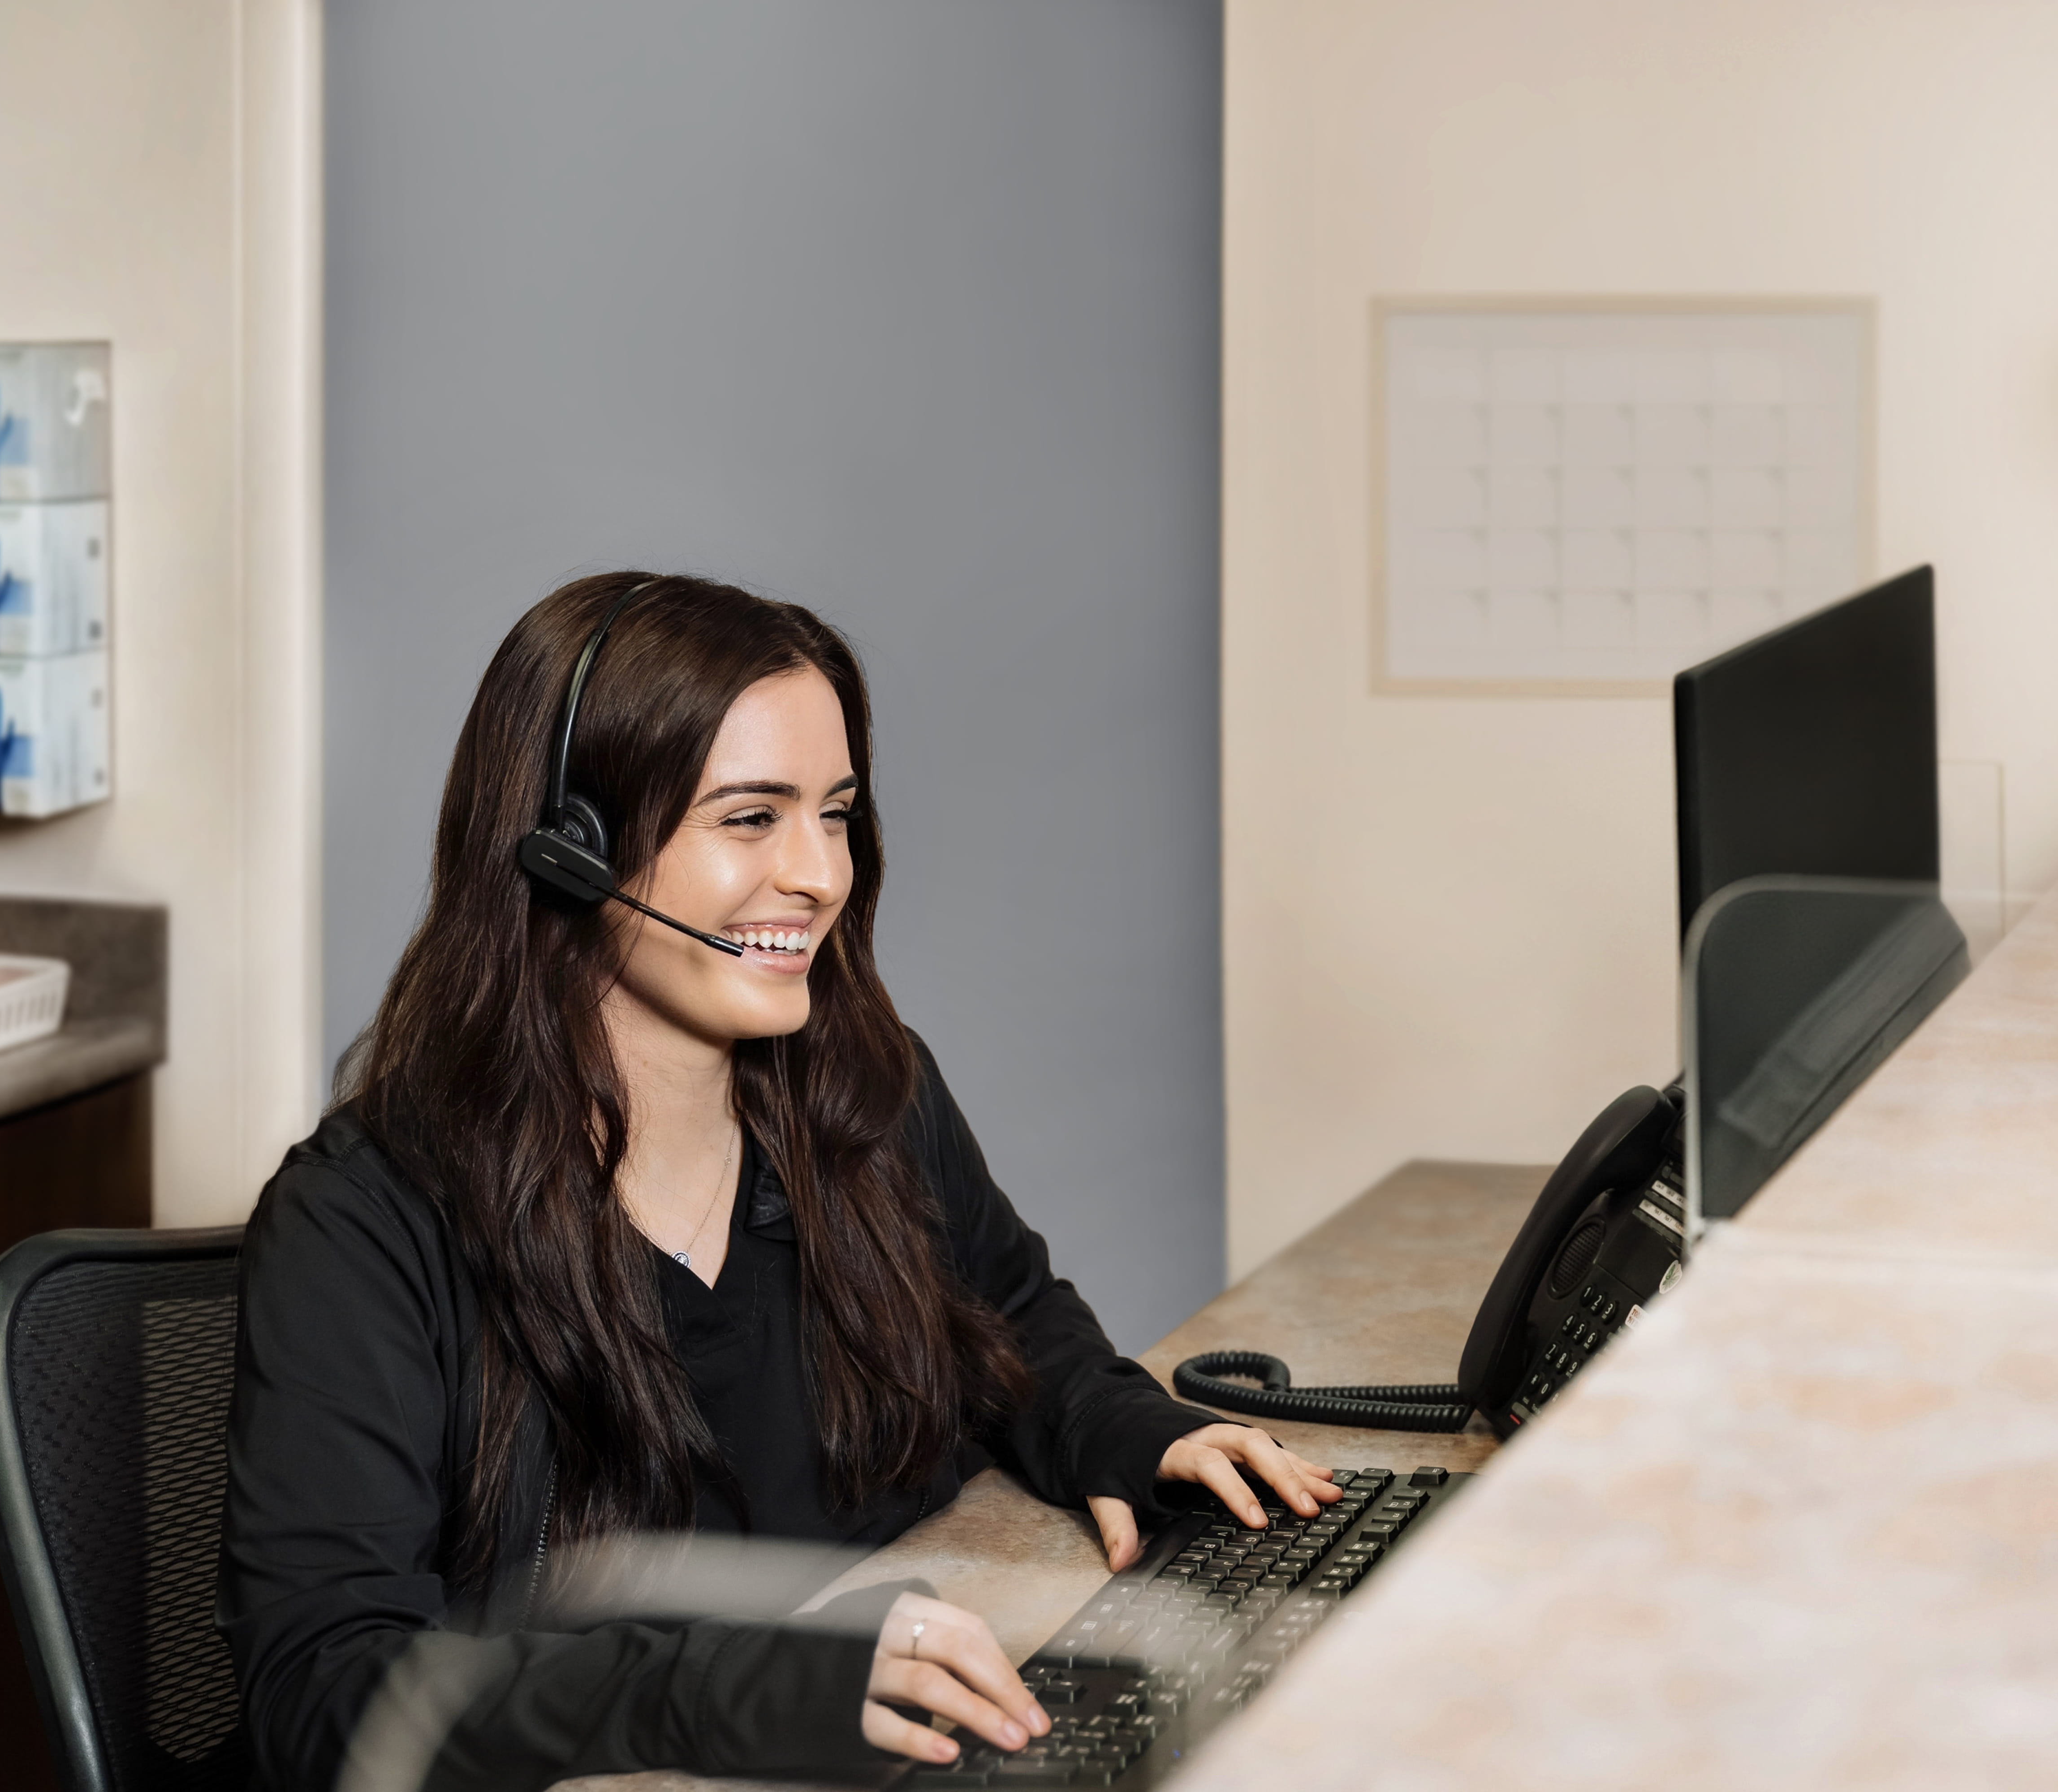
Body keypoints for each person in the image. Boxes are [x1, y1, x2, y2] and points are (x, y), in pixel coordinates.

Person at [220, 573, 1339, 1791]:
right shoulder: (367, 1219)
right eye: (751, 819)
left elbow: (1012, 1321)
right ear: (571, 853)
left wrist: (1121, 1430)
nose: (818, 876)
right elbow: (326, 1688)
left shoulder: (868, 1096)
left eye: (837, 814)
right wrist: (738, 1686)